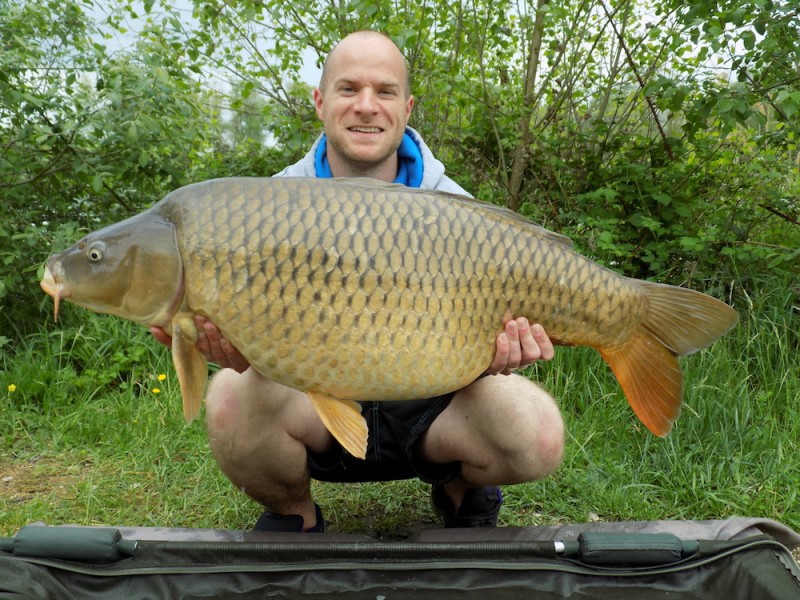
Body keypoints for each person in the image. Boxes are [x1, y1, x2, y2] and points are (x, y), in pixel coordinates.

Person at [152, 30, 564, 532]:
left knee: (537, 432)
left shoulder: (458, 211)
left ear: (407, 107)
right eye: (349, 90)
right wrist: (237, 347)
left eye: (384, 92)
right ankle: (295, 517)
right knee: (228, 399)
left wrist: (495, 356)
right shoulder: (269, 206)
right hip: (312, 407)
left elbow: (478, 346)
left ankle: (460, 488)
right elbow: (243, 347)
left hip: (431, 412)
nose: (366, 106)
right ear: (320, 102)